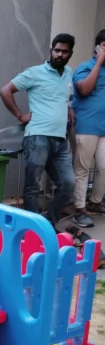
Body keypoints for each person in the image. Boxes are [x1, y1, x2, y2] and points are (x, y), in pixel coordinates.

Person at [0, 34, 76, 235]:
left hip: (60, 140)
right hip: (37, 138)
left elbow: (62, 97)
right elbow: (5, 91)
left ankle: (47, 224)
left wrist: (68, 109)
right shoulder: (35, 73)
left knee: (68, 185)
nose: (60, 54)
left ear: (70, 54)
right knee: (32, 185)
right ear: (51, 50)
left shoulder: (68, 73)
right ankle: (34, 229)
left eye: (64, 51)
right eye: (57, 50)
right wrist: (19, 115)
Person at [71, 29, 105, 228]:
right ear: (99, 47)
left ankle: (95, 201)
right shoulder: (85, 67)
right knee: (82, 169)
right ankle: (79, 208)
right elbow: (83, 90)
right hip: (86, 127)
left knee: (104, 167)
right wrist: (99, 62)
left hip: (104, 129)